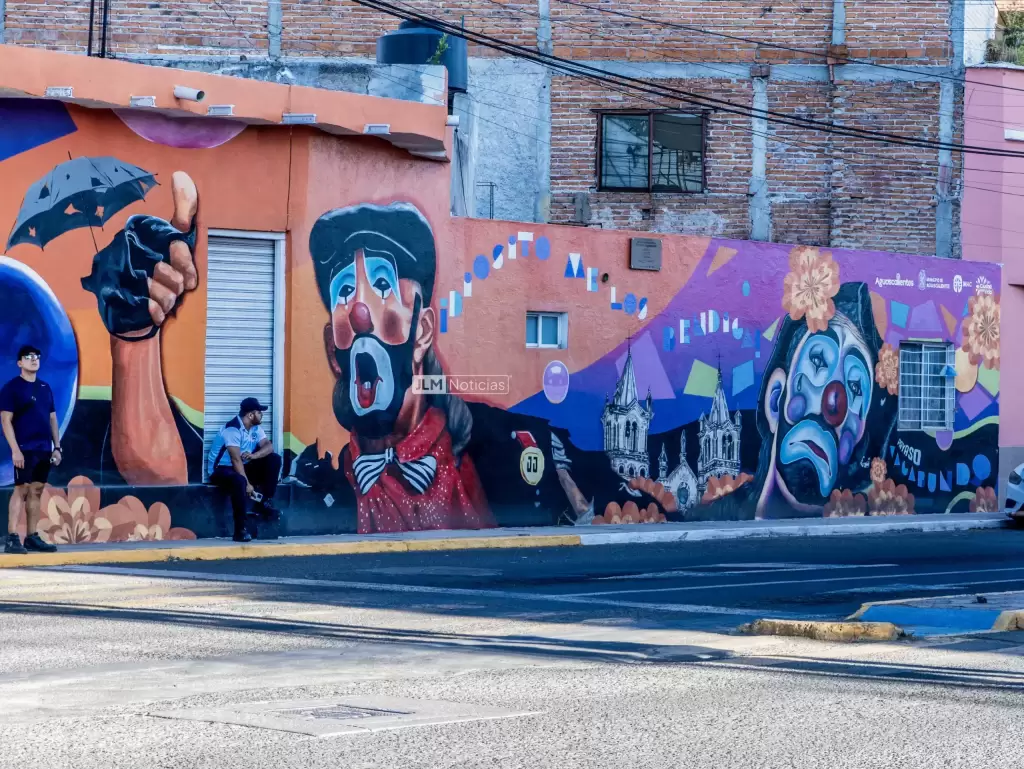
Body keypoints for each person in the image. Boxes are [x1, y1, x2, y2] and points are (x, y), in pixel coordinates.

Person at [1, 345, 61, 554]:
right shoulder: (12, 388)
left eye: (37, 356)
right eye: (28, 357)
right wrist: (15, 450)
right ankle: (12, 538)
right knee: (21, 489)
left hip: (44, 448)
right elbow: (5, 420)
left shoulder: (45, 388)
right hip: (24, 448)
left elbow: (53, 419)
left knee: (36, 490)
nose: (33, 360)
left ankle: (32, 537)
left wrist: (57, 447)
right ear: (20, 363)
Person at [207, 397, 282, 542]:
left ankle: (264, 503)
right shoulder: (232, 429)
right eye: (259, 412)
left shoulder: (255, 429)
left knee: (274, 459)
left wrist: (254, 456)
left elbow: (268, 446)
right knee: (239, 481)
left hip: (242, 466)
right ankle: (240, 530)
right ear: (250, 415)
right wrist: (248, 484)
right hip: (221, 470)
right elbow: (235, 460)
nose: (262, 415)